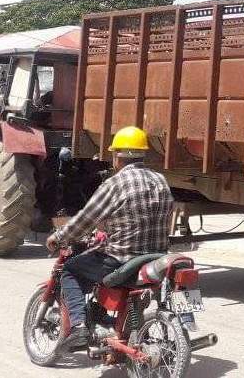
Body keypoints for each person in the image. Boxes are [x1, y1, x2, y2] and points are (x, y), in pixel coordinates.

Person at [45, 126, 174, 347]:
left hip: (122, 259)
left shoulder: (115, 184)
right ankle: (106, 318)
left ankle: (78, 327)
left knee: (70, 270)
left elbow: (86, 219)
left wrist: (59, 237)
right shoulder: (160, 180)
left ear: (118, 156)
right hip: (155, 257)